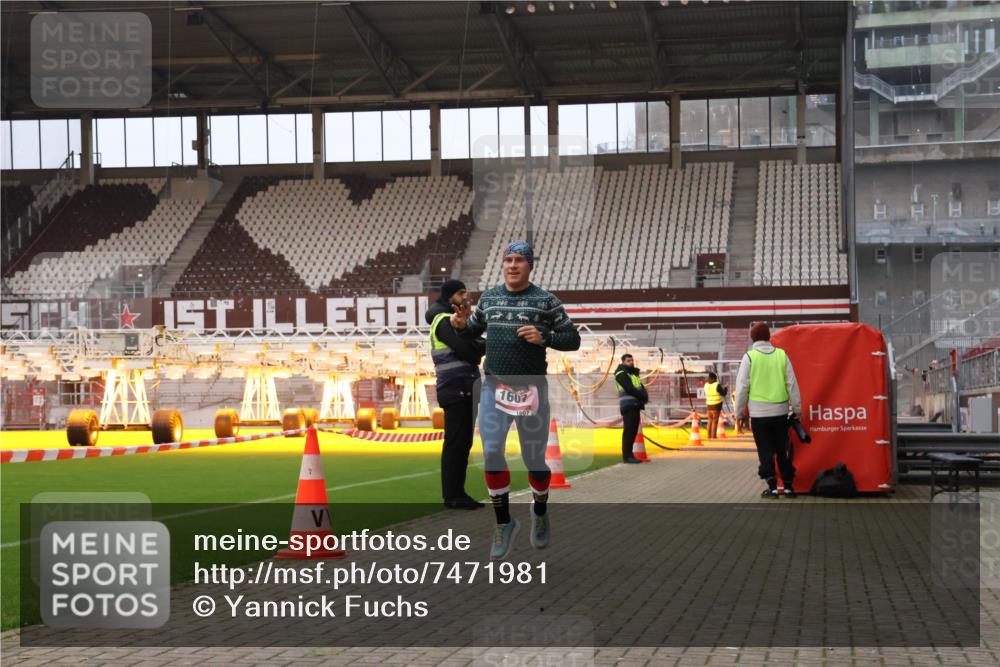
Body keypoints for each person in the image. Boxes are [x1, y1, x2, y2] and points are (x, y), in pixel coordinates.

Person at [456, 240, 581, 560]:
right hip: (494, 387)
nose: (512, 265)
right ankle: (504, 522)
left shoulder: (546, 302)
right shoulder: (490, 298)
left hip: (531, 389)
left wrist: (546, 337)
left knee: (534, 460)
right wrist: (460, 325)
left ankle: (539, 511)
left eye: (519, 260)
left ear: (530, 265)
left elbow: (573, 339)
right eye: (507, 259)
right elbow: (472, 329)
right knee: (493, 451)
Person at [426, 279, 486, 510]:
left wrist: (474, 349)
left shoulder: (459, 323)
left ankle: (456, 494)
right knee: (456, 444)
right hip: (455, 387)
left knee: (462, 443)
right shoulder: (443, 321)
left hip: (463, 387)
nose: (466, 297)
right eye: (461, 293)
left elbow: (474, 348)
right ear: (450, 296)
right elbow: (466, 351)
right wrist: (475, 350)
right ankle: (453, 495)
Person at [734, 322, 802, 499]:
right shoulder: (782, 355)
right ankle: (788, 486)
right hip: (780, 413)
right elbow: (792, 384)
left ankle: (772, 487)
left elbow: (742, 388)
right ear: (769, 336)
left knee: (765, 452)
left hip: (759, 415)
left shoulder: (749, 357)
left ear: (752, 338)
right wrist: (797, 409)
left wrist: (739, 413)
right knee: (782, 450)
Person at [614, 354, 648, 463]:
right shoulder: (621, 373)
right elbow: (629, 388)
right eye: (628, 361)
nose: (631, 362)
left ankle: (630, 455)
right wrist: (642, 396)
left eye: (632, 360)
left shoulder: (633, 374)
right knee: (629, 431)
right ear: (623, 362)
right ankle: (627, 456)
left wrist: (644, 396)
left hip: (635, 405)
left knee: (633, 431)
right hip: (628, 405)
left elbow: (639, 387)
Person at [704, 371, 727, 439]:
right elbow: (723, 394)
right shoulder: (717, 385)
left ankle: (708, 436)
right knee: (715, 421)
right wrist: (725, 388)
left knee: (710, 420)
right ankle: (713, 436)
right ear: (714, 378)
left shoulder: (706, 385)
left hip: (709, 405)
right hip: (716, 406)